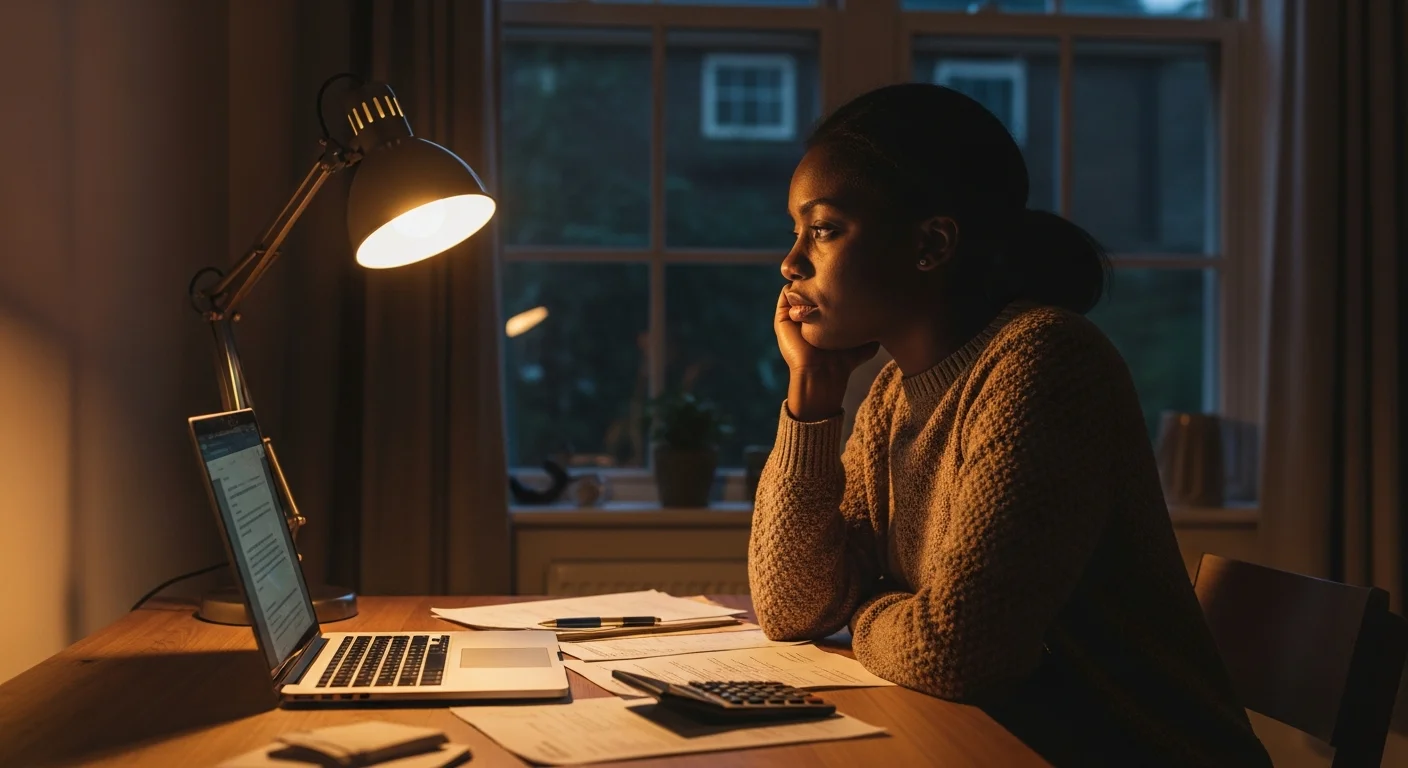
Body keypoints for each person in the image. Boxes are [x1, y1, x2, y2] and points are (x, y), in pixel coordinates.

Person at [748, 83, 1271, 767]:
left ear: (931, 243)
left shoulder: (1045, 360)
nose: (791, 263)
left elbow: (957, 653)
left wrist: (866, 609)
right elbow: (793, 608)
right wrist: (812, 395)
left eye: (822, 229)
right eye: (795, 232)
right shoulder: (889, 401)